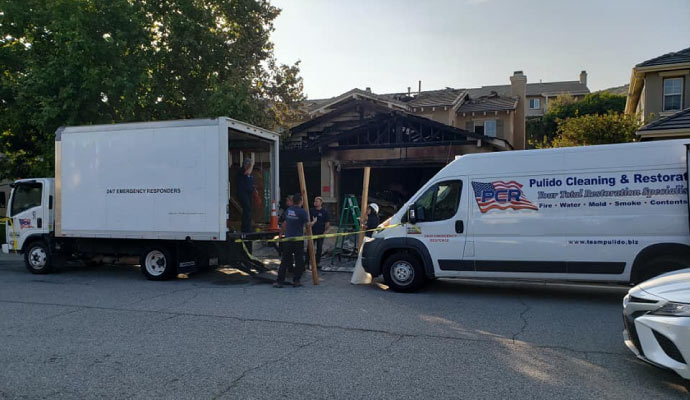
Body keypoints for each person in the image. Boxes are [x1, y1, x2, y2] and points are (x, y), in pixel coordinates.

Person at [274, 193, 315, 288]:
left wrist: (281, 234)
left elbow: (285, 223)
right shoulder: (302, 212)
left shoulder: (289, 210)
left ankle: (280, 281)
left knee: (284, 260)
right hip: (298, 240)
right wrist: (314, 222)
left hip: (288, 239)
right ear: (301, 201)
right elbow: (307, 225)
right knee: (299, 260)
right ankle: (296, 281)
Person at [309, 197, 330, 269]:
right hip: (312, 232)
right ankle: (307, 262)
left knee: (319, 248)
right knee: (310, 248)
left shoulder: (324, 211)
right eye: (315, 201)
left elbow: (327, 222)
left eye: (317, 201)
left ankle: (317, 263)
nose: (315, 202)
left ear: (321, 203)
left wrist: (326, 231)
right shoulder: (311, 210)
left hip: (320, 232)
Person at [237, 158, 254, 234]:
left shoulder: (251, 173)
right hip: (242, 193)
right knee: (247, 209)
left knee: (248, 210)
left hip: (249, 193)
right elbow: (247, 172)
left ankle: (248, 227)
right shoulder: (241, 171)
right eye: (249, 164)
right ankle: (245, 228)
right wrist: (252, 165)